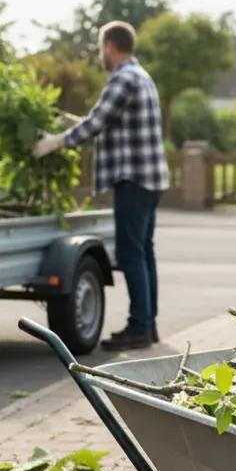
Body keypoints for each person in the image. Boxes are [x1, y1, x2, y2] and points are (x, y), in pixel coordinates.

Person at [31, 20, 168, 351]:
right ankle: (148, 325)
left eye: (99, 48)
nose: (99, 57)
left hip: (133, 180)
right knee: (143, 251)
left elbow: (96, 123)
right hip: (151, 179)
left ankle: (139, 326)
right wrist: (75, 125)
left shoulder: (122, 78)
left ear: (110, 46)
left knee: (130, 252)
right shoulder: (141, 76)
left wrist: (57, 142)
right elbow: (111, 123)